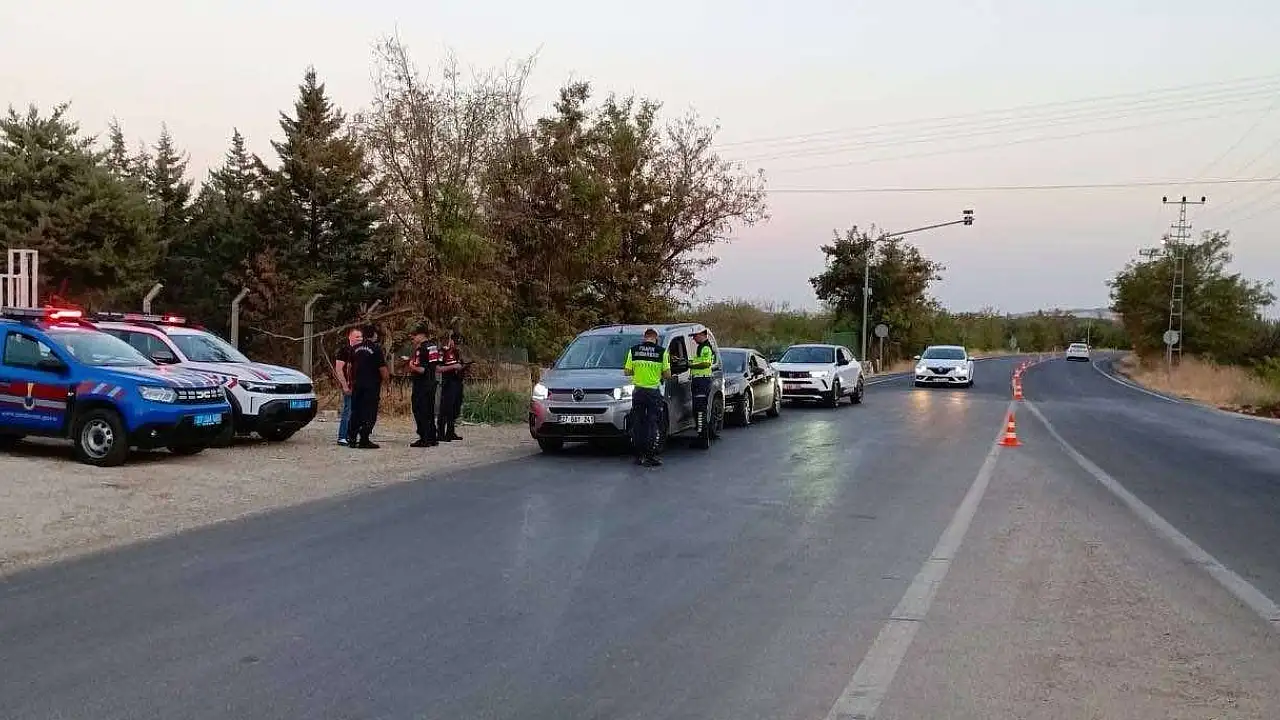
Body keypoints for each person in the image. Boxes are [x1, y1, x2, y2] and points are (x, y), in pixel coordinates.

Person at [624, 327, 671, 467]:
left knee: (638, 423)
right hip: (653, 392)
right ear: (655, 338)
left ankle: (639, 456)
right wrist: (656, 373)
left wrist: (639, 371)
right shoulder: (661, 352)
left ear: (644, 338)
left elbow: (627, 371)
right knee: (652, 423)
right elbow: (667, 374)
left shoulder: (634, 350)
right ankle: (650, 456)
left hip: (638, 391)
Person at [346, 328, 388, 449]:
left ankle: (352, 438)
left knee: (356, 411)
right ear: (374, 335)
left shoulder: (354, 348)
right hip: (371, 386)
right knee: (369, 412)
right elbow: (382, 369)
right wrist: (387, 383)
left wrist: (350, 381)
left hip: (357, 385)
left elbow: (349, 367)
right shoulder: (376, 349)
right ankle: (364, 439)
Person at [407, 324, 441, 448]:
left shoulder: (421, 349)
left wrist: (411, 365)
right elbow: (434, 366)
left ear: (421, 335)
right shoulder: (433, 346)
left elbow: (421, 369)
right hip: (431, 382)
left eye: (414, 335)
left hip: (421, 384)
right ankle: (432, 437)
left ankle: (424, 438)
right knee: (429, 410)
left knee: (420, 410)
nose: (412, 338)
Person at [334, 327, 363, 445]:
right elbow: (339, 369)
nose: (360, 339)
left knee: (358, 412)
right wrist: (345, 386)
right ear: (350, 337)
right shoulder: (345, 351)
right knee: (348, 410)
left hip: (360, 386)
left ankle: (352, 435)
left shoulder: (362, 351)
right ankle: (342, 436)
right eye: (357, 337)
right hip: (349, 386)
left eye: (361, 337)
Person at [435, 332, 465, 442]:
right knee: (445, 409)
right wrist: (453, 367)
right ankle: (441, 433)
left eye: (459, 343)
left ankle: (450, 432)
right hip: (448, 383)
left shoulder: (457, 353)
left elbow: (460, 365)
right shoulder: (443, 352)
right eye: (455, 342)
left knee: (455, 408)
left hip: (458, 382)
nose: (457, 345)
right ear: (450, 341)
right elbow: (438, 368)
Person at [689, 327, 717, 438]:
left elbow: (706, 363)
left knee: (700, 410)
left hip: (702, 381)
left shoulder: (705, 348)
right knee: (697, 410)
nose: (694, 339)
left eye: (695, 336)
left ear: (702, 334)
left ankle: (702, 438)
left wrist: (690, 365)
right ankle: (701, 435)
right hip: (699, 380)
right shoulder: (701, 347)